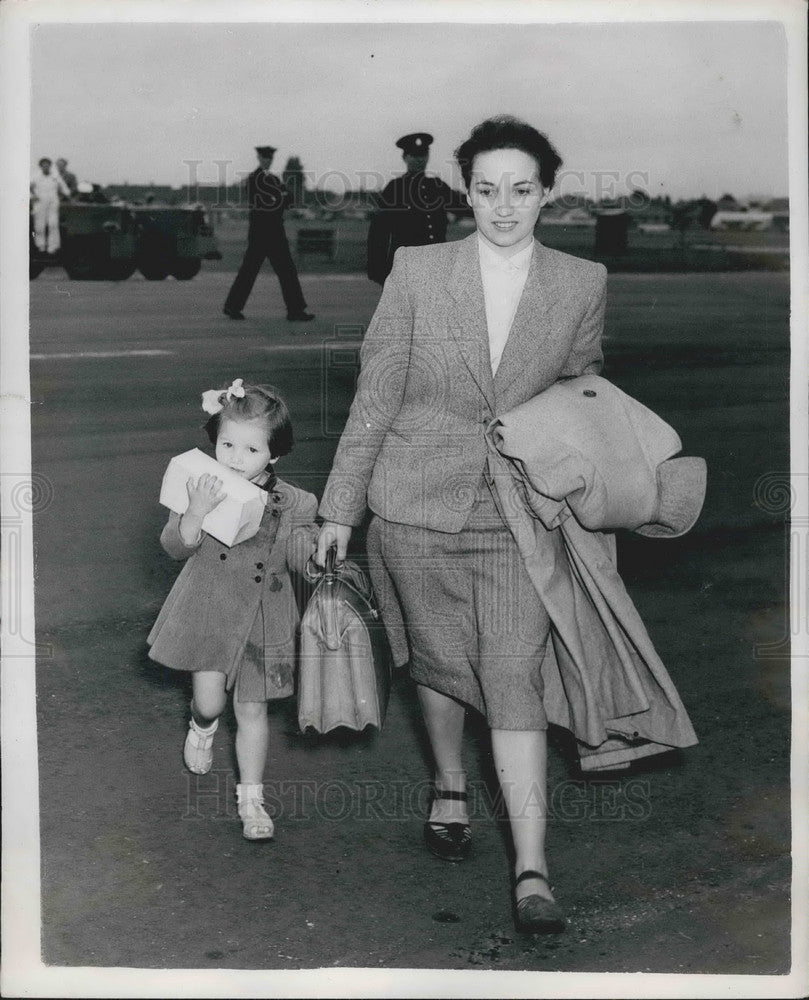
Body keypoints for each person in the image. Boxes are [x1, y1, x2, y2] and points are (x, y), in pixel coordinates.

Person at [316, 115, 608, 934]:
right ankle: (448, 782)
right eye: (486, 190)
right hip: (412, 506)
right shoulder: (417, 270)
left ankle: (531, 868)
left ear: (546, 194)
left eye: (521, 190)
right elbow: (376, 395)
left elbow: (582, 393)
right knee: (437, 662)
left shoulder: (581, 282)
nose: (503, 207)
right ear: (466, 193)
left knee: (512, 672)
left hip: (517, 512)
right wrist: (339, 508)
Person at [148, 379, 318, 840]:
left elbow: (301, 554)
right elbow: (174, 547)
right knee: (210, 702)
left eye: (251, 449)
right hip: (211, 607)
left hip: (264, 616)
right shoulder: (200, 485)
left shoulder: (296, 502)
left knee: (252, 711)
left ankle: (252, 800)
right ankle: (201, 726)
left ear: (275, 454)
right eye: (227, 445)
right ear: (214, 440)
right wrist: (195, 513)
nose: (235, 459)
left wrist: (317, 556)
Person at [223, 145, 314, 322]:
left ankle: (295, 309)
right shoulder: (253, 179)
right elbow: (268, 202)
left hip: (273, 232)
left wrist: (277, 198)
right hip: (262, 233)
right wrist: (279, 197)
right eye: (265, 158)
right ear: (259, 158)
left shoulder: (272, 179)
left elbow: (287, 200)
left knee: (285, 271)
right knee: (252, 271)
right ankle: (233, 307)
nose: (268, 161)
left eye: (270, 158)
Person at [366, 132, 465, 285]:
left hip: (437, 268)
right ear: (405, 157)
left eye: (423, 155)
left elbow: (466, 208)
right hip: (406, 270)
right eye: (414, 155)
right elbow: (379, 233)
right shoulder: (395, 188)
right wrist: (378, 271)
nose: (420, 159)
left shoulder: (437, 186)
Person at [30, 157, 70, 254]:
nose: (46, 167)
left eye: (47, 165)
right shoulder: (35, 176)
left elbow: (64, 188)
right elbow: (27, 188)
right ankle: (40, 246)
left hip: (53, 202)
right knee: (39, 226)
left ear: (50, 166)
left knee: (53, 224)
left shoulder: (55, 176)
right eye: (44, 165)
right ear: (41, 166)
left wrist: (67, 195)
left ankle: (53, 247)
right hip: (39, 202)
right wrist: (32, 196)